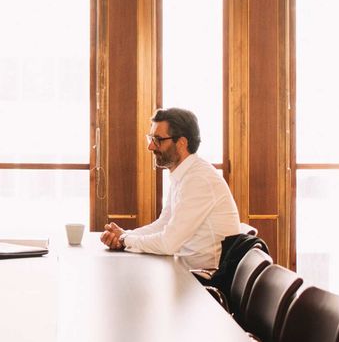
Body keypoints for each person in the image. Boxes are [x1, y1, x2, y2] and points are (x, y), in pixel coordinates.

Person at [100, 108, 239, 270]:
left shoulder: (198, 179)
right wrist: (127, 235)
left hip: (203, 279)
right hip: (183, 270)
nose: (150, 147)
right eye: (151, 139)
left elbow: (168, 243)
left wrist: (124, 239)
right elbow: (163, 224)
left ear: (181, 143)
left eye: (158, 139)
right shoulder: (185, 174)